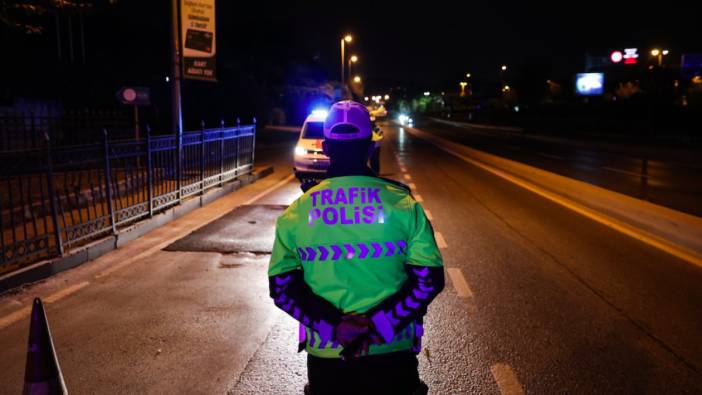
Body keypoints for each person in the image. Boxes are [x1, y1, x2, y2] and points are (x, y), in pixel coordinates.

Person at [268, 100, 444, 395]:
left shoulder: (296, 214)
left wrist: (335, 326)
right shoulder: (404, 206)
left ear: (326, 148)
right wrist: (378, 327)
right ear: (370, 147)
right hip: (392, 354)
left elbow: (282, 289)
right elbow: (429, 282)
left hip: (329, 359)